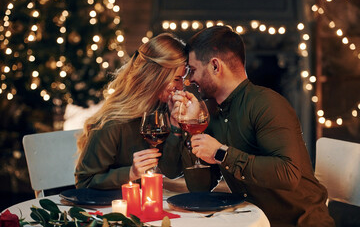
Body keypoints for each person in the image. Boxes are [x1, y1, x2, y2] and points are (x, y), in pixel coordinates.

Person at [170, 26, 335, 226]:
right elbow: (200, 187)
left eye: (193, 70)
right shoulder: (213, 114)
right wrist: (189, 125)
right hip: (256, 221)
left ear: (215, 66)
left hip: (301, 222)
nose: (189, 80)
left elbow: (288, 174)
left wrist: (221, 153)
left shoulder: (267, 104)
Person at [75, 33, 186, 189]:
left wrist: (176, 128)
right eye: (176, 79)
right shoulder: (112, 122)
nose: (181, 87)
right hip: (112, 210)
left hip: (147, 203)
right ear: (155, 76)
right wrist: (130, 173)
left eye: (182, 79)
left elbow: (172, 171)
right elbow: (84, 183)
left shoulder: (162, 114)